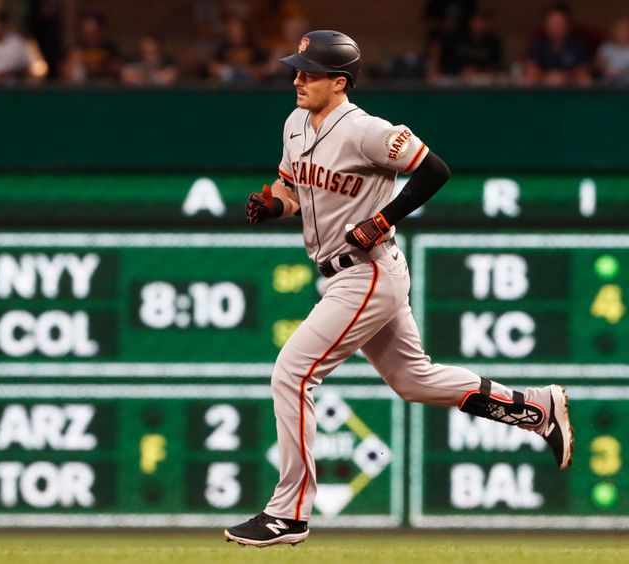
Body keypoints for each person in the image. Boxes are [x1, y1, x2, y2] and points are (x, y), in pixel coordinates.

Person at [224, 29, 573, 548]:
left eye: (309, 72)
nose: (297, 78)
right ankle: (535, 408)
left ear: (339, 82)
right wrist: (275, 205)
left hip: (367, 270)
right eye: (297, 69)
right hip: (345, 273)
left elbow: (435, 170)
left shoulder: (365, 131)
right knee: (413, 380)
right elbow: (293, 188)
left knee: (292, 373)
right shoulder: (295, 124)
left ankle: (289, 512)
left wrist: (383, 218)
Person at [427, 8, 503, 85]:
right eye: (479, 20)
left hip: (481, 80)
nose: (482, 24)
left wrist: (477, 71)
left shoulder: (493, 42)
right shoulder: (456, 36)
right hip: (453, 78)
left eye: (485, 21)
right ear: (471, 21)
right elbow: (437, 49)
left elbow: (495, 67)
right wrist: (433, 71)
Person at [523, 5, 592, 86]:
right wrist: (546, 77)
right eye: (553, 23)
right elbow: (531, 71)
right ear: (546, 25)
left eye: (560, 23)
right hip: (543, 92)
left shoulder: (577, 46)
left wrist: (565, 77)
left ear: (568, 25)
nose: (557, 27)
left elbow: (583, 71)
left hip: (571, 91)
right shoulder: (538, 46)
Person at [596, 17, 629, 85]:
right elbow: (598, 62)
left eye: (624, 31)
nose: (621, 33)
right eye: (618, 30)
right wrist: (605, 68)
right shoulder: (607, 48)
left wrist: (620, 72)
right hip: (608, 77)